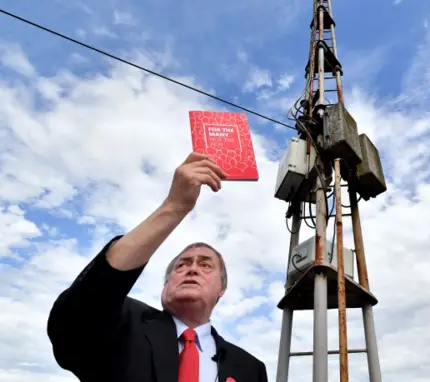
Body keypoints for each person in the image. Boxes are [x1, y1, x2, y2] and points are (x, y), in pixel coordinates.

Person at [46, 152, 268, 382]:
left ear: (222, 288)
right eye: (181, 265)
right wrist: (175, 206)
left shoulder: (250, 369)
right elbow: (80, 313)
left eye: (205, 265)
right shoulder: (123, 325)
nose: (192, 269)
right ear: (166, 283)